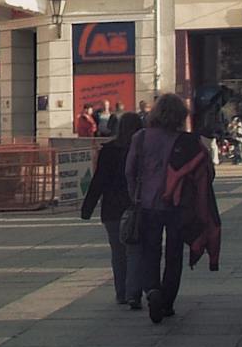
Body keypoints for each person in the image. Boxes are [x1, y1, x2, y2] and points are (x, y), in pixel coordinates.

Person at [124, 93, 217, 324]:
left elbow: (129, 171)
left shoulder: (141, 137)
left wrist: (134, 195)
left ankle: (152, 290)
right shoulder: (186, 141)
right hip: (177, 205)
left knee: (150, 250)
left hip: (147, 204)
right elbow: (205, 173)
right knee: (174, 253)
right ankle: (167, 301)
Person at [81, 111, 141, 305]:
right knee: (135, 250)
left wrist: (87, 208)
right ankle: (134, 292)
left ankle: (122, 292)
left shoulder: (109, 150)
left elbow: (99, 181)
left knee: (118, 252)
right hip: (137, 206)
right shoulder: (143, 150)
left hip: (112, 208)